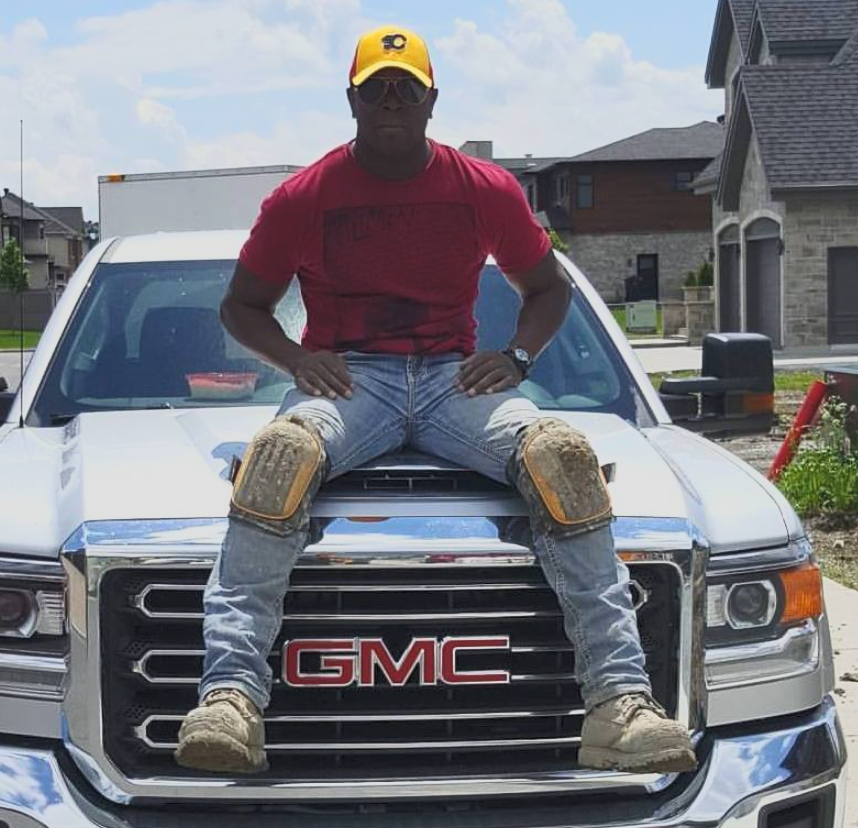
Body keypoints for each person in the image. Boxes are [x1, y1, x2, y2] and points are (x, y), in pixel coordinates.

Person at [175, 25, 696, 776]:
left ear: (431, 100)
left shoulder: (483, 189)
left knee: (561, 458)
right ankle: (229, 699)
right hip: (353, 380)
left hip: (457, 381)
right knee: (277, 458)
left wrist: (516, 356)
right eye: (376, 86)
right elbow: (241, 307)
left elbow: (546, 288)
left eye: (406, 87)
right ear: (351, 99)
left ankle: (618, 705)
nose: (391, 99)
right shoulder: (302, 198)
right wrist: (295, 358)